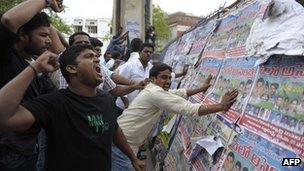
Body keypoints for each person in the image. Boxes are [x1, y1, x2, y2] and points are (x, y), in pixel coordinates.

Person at [0, 44, 144, 171]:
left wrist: (133, 158)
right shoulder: (54, 103)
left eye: (96, 55)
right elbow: (5, 119)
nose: (97, 59)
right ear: (72, 68)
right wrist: (34, 68)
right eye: (89, 56)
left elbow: (114, 129)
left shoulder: (106, 99)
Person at [112, 63, 238, 169]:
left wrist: (201, 89)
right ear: (152, 79)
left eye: (169, 78)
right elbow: (188, 108)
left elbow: (176, 93)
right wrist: (221, 106)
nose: (167, 81)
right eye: (163, 77)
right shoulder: (155, 93)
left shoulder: (153, 89)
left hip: (122, 140)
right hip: (123, 144)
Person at [0, 0, 64, 170]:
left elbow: (59, 52)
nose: (49, 40)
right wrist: (47, 2)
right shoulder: (8, 58)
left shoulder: (35, 67)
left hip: (27, 151)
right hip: (7, 153)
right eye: (43, 35)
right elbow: (9, 20)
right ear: (22, 35)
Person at [57, 31, 145, 97]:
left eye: (86, 43)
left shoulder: (99, 68)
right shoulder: (63, 62)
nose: (83, 45)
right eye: (79, 43)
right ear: (71, 69)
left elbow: (115, 89)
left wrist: (135, 86)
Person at [116, 43, 154, 109]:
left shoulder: (152, 68)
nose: (148, 54)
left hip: (140, 108)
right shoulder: (129, 66)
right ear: (139, 53)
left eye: (150, 52)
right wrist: (127, 104)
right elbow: (120, 85)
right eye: (146, 51)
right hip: (123, 107)